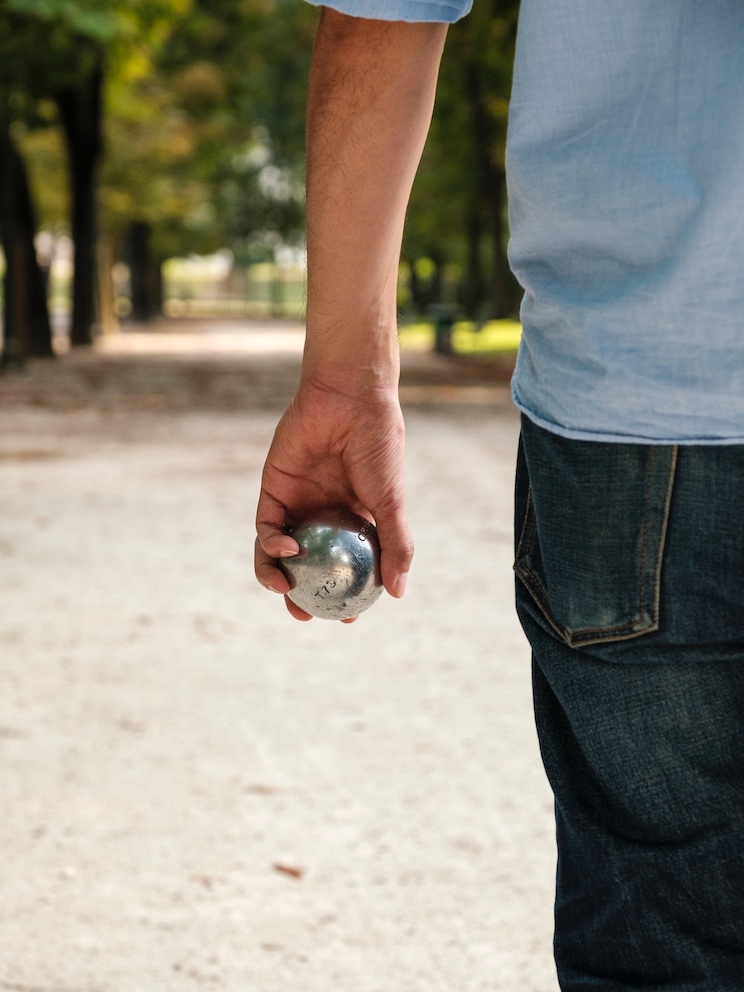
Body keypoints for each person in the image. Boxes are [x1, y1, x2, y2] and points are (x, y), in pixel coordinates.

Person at [255, 1, 744, 988]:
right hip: (636, 409)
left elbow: (382, 12)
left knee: (666, 935)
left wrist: (348, 377)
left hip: (644, 400)